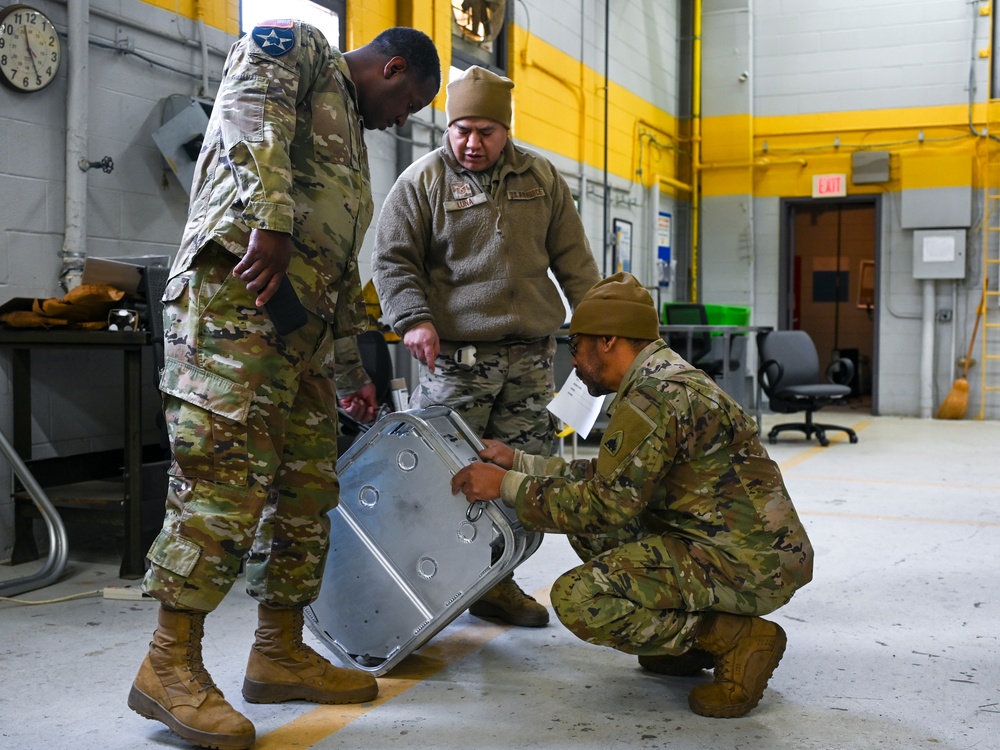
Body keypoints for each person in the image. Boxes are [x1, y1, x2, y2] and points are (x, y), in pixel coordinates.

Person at [127, 21, 441, 750]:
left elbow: (332, 269)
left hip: (297, 343)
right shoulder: (294, 46)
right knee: (221, 487)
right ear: (393, 69)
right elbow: (246, 112)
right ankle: (167, 665)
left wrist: (349, 372)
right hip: (232, 305)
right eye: (408, 107)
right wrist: (268, 222)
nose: (400, 121)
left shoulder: (350, 140)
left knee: (306, 494)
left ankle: (278, 650)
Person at [450, 272, 813, 718]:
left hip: (747, 566)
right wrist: (519, 463)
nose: (575, 363)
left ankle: (732, 637)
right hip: (741, 549)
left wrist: (504, 487)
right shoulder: (663, 378)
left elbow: (604, 505)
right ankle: (690, 641)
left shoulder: (653, 398)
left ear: (607, 339)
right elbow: (610, 479)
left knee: (580, 598)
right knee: (596, 534)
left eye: (575, 346)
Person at [372, 65, 601, 628]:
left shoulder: (542, 179)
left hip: (530, 360)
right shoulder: (422, 182)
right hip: (456, 362)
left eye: (486, 132)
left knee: (526, 475)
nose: (472, 144)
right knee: (442, 477)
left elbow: (575, 262)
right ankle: (430, 584)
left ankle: (496, 582)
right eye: (461, 130)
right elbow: (392, 260)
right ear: (448, 128)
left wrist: (595, 329)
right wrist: (414, 318)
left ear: (507, 129)